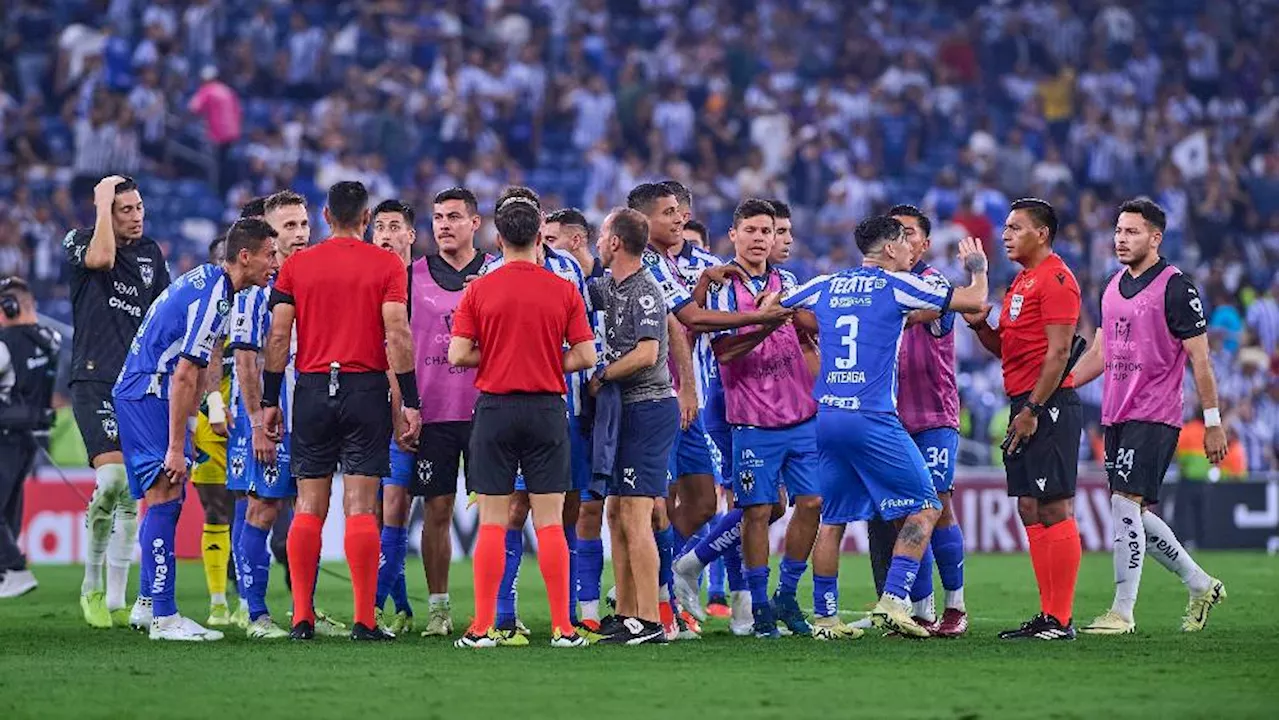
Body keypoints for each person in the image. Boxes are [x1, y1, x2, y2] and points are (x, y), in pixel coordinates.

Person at [782, 216, 990, 638]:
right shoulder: (897, 285)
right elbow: (974, 300)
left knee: (834, 519)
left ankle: (825, 618)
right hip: (872, 417)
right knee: (928, 506)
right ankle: (895, 600)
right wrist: (980, 268)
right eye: (904, 242)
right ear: (892, 248)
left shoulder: (826, 283)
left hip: (829, 416)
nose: (909, 251)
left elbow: (779, 306)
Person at [626, 181, 789, 639]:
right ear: (643, 221)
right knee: (658, 504)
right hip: (657, 397)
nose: (680, 219)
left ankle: (679, 576)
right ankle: (654, 602)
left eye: (682, 211)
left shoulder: (692, 265)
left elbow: (690, 312)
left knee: (701, 503)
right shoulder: (645, 262)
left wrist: (701, 282)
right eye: (670, 212)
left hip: (695, 396)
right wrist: (760, 318)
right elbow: (690, 320)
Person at [260, 181, 421, 642]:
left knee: (309, 505)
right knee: (360, 507)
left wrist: (271, 400)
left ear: (326, 217)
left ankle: (301, 617)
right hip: (365, 387)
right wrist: (409, 400)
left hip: (311, 387)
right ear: (366, 218)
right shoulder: (387, 264)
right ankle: (364, 621)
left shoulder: (298, 266)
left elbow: (277, 336)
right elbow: (398, 334)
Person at [112, 218, 279, 641]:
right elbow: (186, 372)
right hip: (152, 391)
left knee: (160, 498)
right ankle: (165, 618)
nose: (274, 263)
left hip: (142, 389)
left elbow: (194, 366)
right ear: (246, 256)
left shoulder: (206, 280)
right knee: (167, 493)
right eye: (269, 254)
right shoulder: (218, 297)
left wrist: (187, 428)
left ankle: (148, 605)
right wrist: (175, 445)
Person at [1071, 197, 1227, 635]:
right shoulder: (1111, 284)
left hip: (1155, 414)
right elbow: (1101, 353)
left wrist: (1213, 421)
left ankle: (1122, 612)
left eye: (1132, 232)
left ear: (1155, 238)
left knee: (1124, 504)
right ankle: (1200, 583)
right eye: (1119, 231)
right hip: (1116, 414)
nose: (1121, 239)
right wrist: (1060, 387)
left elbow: (1200, 360)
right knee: (1132, 514)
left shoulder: (1178, 287)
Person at [447, 193, 596, 649]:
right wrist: (547, 362)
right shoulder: (564, 289)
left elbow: (457, 354)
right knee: (550, 523)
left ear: (497, 237)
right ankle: (563, 628)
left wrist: (497, 357)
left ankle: (483, 628)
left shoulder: (479, 288)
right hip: (548, 408)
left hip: (495, 408)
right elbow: (587, 355)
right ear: (538, 237)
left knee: (493, 522)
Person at [963, 198, 1084, 641]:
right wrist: (980, 328)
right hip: (1025, 402)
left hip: (1047, 404)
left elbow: (1058, 353)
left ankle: (1061, 618)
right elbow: (1013, 351)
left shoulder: (1055, 279)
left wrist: (1033, 408)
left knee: (1053, 505)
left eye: (1016, 227)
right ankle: (1048, 614)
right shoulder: (1021, 283)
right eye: (1006, 228)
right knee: (1029, 505)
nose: (1006, 234)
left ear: (1042, 233)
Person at [705, 199, 822, 639]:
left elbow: (810, 330)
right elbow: (722, 352)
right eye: (750, 230)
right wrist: (769, 321)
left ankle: (786, 594)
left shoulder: (789, 281)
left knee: (812, 502)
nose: (759, 239)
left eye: (766, 231)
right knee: (755, 512)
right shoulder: (719, 287)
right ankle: (757, 607)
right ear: (733, 235)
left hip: (801, 413)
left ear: (776, 238)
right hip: (752, 419)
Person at [63, 175, 170, 629]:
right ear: (106, 211)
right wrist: (103, 200)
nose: (137, 215)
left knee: (131, 492)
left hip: (136, 384)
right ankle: (91, 587)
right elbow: (102, 258)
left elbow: (163, 313)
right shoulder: (80, 241)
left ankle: (117, 597)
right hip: (92, 378)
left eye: (139, 207)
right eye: (125, 209)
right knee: (110, 481)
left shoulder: (151, 255)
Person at [587, 207, 681, 645]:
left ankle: (650, 619)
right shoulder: (611, 285)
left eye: (602, 234)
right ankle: (626, 613)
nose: (598, 241)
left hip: (647, 408)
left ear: (616, 242)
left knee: (636, 514)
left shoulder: (645, 290)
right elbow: (577, 284)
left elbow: (646, 353)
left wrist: (603, 374)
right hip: (624, 411)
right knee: (616, 511)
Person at [226, 190, 314, 640]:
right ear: (269, 232)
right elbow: (244, 360)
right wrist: (259, 421)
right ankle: (256, 612)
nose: (299, 234)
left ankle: (305, 612)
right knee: (261, 509)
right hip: (272, 423)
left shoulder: (312, 276)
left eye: (303, 224)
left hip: (310, 417)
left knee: (309, 511)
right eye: (289, 226)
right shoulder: (256, 290)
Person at [889, 204, 970, 637]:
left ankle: (956, 607)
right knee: (909, 510)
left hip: (935, 413)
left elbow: (928, 311)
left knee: (938, 505)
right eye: (895, 233)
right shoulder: (877, 286)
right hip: (891, 419)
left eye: (909, 233)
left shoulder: (933, 283)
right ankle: (921, 611)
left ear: (923, 243)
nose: (901, 240)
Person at [543, 208, 609, 630]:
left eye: (551, 237)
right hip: (564, 402)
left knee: (597, 509)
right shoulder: (567, 278)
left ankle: (593, 606)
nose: (544, 244)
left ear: (575, 240)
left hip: (597, 404)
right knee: (566, 508)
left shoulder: (601, 280)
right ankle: (576, 609)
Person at [371, 198, 420, 636]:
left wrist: (406, 403)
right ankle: (399, 604)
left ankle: (372, 608)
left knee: (395, 507)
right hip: (370, 410)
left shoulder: (424, 281)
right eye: (378, 227)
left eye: (394, 226)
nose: (385, 234)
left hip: (419, 411)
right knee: (378, 511)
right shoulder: (366, 281)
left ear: (411, 235)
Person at [0, 277, 61, 598]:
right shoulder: (49, 339)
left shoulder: (4, 344)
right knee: (8, 506)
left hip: (6, 433)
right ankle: (6, 573)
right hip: (33, 435)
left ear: (7, 308)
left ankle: (15, 568)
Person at [188, 235, 236, 628]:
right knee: (217, 509)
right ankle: (219, 601)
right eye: (220, 258)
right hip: (211, 422)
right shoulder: (201, 305)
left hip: (257, 419)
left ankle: (256, 601)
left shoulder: (265, 299)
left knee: (263, 514)